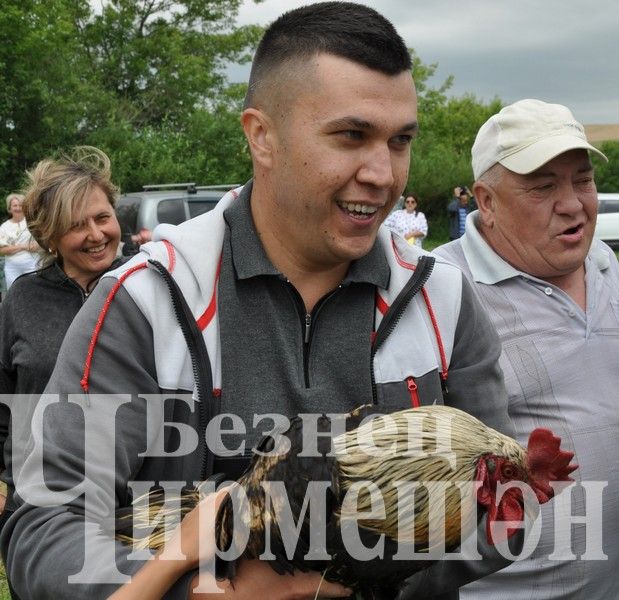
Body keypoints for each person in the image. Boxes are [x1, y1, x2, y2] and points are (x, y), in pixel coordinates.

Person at [4, 4, 519, 599]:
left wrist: (362, 582)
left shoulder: (443, 297)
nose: (383, 173)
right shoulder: (146, 302)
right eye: (351, 135)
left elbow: (508, 502)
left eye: (400, 141)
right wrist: (202, 591)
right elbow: (45, 524)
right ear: (261, 136)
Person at [435, 98, 619, 600]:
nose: (573, 203)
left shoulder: (607, 264)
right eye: (543, 187)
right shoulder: (437, 292)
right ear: (486, 201)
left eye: (582, 180)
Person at [0, 147, 124, 593]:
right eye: (76, 225)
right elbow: (4, 394)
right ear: (50, 238)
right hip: (39, 501)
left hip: (129, 503)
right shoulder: (24, 298)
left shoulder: (145, 286)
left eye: (102, 217)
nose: (95, 234)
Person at [0, 193, 40, 289]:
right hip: (12, 268)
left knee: (34, 292)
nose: (18, 208)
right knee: (14, 294)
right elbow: (2, 251)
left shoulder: (32, 223)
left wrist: (12, 248)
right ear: (10, 208)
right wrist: (24, 246)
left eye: (20, 205)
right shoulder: (4, 227)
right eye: (15, 205)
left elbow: (39, 245)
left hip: (33, 265)